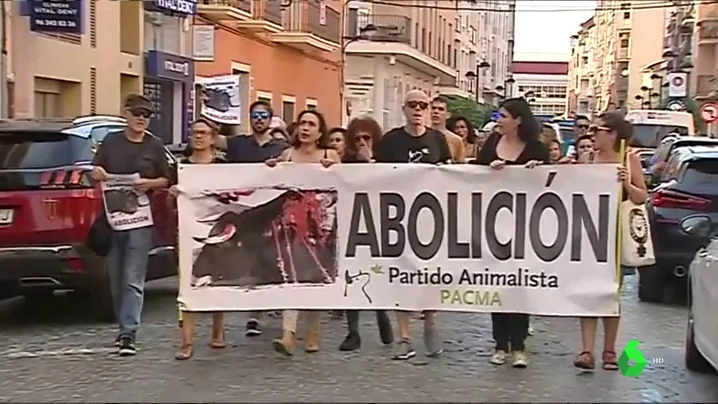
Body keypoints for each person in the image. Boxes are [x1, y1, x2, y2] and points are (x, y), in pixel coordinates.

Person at [470, 97, 549, 368]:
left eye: (502, 115)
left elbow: (552, 182)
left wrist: (537, 171)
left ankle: (519, 346)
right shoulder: (491, 145)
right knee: (497, 283)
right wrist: (488, 170)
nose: (498, 120)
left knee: (520, 284)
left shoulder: (536, 147)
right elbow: (475, 175)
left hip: (526, 226)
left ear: (517, 120)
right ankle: (500, 344)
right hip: (494, 225)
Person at [91, 94, 171, 356]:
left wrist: (149, 184)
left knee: (132, 279)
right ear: (125, 113)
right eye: (136, 112)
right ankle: (123, 326)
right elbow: (94, 170)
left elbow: (167, 179)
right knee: (116, 280)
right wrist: (97, 173)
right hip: (113, 219)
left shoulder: (154, 145)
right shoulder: (111, 142)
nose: (141, 118)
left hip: (140, 220)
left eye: (146, 114)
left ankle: (129, 333)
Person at [374, 89, 451, 360]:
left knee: (430, 274)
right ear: (404, 109)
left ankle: (430, 321)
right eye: (412, 105)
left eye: (423, 105)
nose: (418, 110)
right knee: (401, 275)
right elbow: (375, 174)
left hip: (431, 219)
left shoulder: (438, 139)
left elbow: (453, 174)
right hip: (398, 218)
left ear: (429, 109)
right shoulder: (391, 141)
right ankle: (405, 337)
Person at [574, 112, 647, 371]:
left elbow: (641, 198)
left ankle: (609, 350)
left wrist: (627, 182)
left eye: (598, 130)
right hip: (590, 233)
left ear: (613, 134)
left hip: (616, 235)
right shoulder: (589, 158)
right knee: (587, 291)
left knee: (611, 294)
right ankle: (586, 350)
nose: (592, 134)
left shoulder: (629, 158)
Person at [267, 110, 341, 356]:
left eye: (311, 124)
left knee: (315, 278)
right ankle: (288, 334)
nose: (305, 128)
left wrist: (335, 170)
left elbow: (345, 184)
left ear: (320, 132)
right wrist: (270, 168)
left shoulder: (330, 156)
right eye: (302, 123)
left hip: (321, 228)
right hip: (291, 226)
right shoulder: (287, 155)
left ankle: (312, 332)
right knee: (293, 276)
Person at [225, 100, 289, 337]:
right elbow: (213, 139)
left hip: (274, 212)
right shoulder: (238, 144)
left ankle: (269, 309)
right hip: (246, 213)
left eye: (263, 115)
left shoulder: (281, 148)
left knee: (273, 263)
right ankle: (255, 313)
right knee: (254, 263)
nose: (259, 119)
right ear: (249, 119)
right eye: (255, 115)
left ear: (270, 119)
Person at [336, 116, 394, 351]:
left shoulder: (385, 159)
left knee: (376, 272)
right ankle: (353, 331)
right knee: (351, 275)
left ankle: (382, 314)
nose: (361, 142)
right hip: (351, 222)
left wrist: (370, 162)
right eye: (357, 138)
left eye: (366, 138)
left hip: (377, 222)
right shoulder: (346, 162)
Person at [173, 118, 227, 360]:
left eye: (204, 133)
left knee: (216, 281)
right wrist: (172, 194)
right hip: (187, 231)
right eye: (195, 132)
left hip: (216, 230)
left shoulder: (224, 166)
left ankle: (218, 331)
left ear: (213, 138)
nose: (199, 137)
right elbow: (170, 204)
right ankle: (186, 341)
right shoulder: (181, 166)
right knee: (187, 285)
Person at [430, 95, 465, 162]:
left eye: (441, 109)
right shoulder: (421, 135)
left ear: (448, 115)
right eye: (433, 108)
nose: (436, 112)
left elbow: (461, 167)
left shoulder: (457, 141)